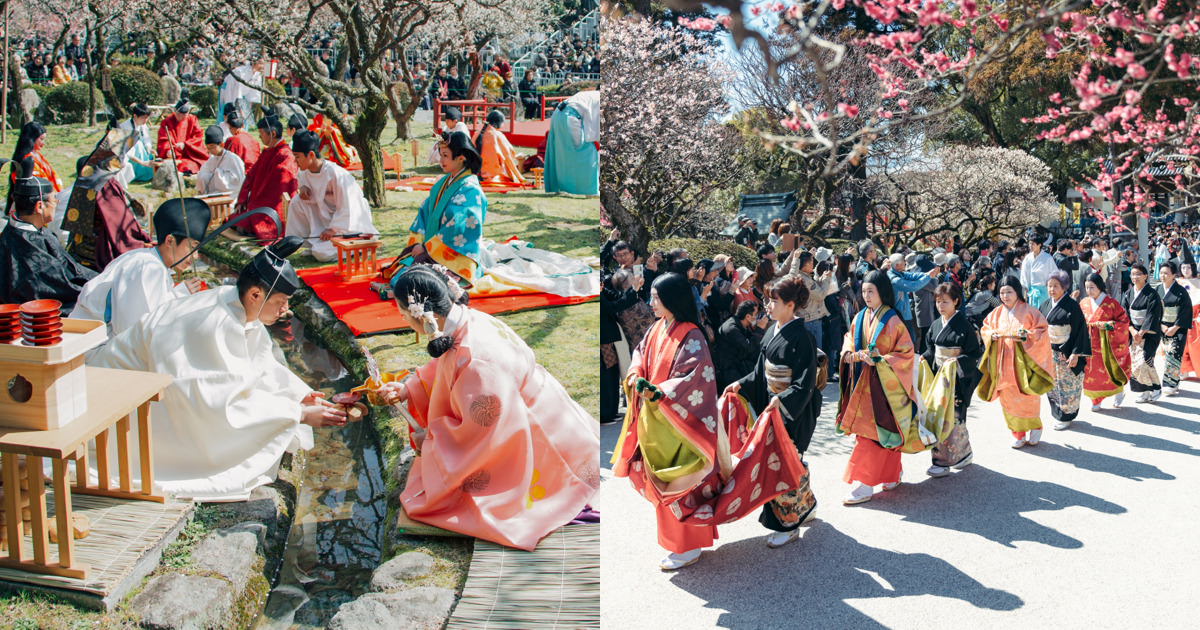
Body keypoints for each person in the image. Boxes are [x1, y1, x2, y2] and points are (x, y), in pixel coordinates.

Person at [90, 237, 346, 501]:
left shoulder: (237, 305)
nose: (286, 310)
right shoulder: (211, 322)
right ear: (255, 295)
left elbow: (262, 367)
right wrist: (297, 414)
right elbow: (213, 403)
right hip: (116, 402)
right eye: (281, 301)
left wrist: (297, 396)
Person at [373, 265, 599, 550]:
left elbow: (480, 436)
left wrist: (431, 440)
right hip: (551, 414)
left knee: (472, 501)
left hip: (532, 433)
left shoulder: (476, 361)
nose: (403, 320)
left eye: (403, 314)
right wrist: (409, 388)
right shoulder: (467, 319)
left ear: (421, 315)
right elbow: (446, 365)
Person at [613, 272, 804, 570]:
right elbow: (639, 354)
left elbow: (695, 378)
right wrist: (636, 374)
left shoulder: (692, 335)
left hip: (683, 424)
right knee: (664, 482)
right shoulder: (657, 328)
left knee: (682, 483)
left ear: (672, 299)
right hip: (658, 420)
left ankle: (689, 545)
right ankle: (679, 543)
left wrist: (660, 393)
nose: (651, 303)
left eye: (656, 297)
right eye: (651, 296)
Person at [726, 276, 821, 548]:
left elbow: (805, 383)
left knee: (781, 463)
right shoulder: (771, 331)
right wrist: (741, 384)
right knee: (786, 461)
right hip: (773, 403)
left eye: (773, 301)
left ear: (791, 305)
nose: (767, 306)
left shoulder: (803, 338)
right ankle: (807, 504)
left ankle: (787, 524)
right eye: (767, 300)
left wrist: (783, 400)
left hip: (793, 410)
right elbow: (760, 372)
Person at [71, 198, 209, 337]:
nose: (196, 256)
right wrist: (180, 295)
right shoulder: (148, 267)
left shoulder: (148, 259)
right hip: (95, 343)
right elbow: (134, 329)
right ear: (170, 241)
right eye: (192, 247)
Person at [837, 270, 917, 505]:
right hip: (862, 382)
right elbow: (849, 339)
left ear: (882, 291)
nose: (866, 296)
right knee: (869, 433)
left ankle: (865, 484)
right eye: (864, 291)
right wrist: (850, 354)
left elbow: (905, 352)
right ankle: (890, 475)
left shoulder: (893, 320)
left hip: (884, 385)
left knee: (880, 431)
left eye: (871, 291)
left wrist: (881, 360)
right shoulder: (860, 316)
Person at [398, 131, 485, 282]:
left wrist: (427, 248)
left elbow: (458, 225)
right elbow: (425, 211)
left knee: (416, 280)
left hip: (453, 256)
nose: (441, 160)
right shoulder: (442, 184)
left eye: (445, 155)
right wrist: (420, 242)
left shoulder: (471, 190)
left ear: (461, 158)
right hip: (432, 249)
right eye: (440, 155)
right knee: (401, 274)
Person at [978, 276, 1053, 449]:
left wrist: (1026, 335)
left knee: (1028, 396)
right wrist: (991, 335)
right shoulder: (996, 313)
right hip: (1003, 362)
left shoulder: (1030, 311)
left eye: (1009, 292)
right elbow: (985, 328)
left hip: (1025, 363)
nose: (1005, 296)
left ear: (1017, 292)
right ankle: (1017, 434)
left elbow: (1041, 330)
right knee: (1008, 398)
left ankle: (1035, 426)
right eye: (1002, 292)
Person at [0, 177, 95, 313]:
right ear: (40, 206)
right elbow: (57, 289)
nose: (57, 203)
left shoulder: (24, 230)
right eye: (54, 199)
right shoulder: (28, 248)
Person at [285, 131, 376, 261]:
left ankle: (354, 247)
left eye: (297, 157)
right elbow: (302, 181)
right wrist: (303, 188)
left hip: (348, 225)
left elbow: (349, 206)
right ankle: (311, 242)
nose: (295, 161)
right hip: (325, 220)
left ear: (311, 155)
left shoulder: (336, 174)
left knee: (322, 254)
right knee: (297, 202)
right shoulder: (304, 172)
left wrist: (333, 229)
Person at [922, 282, 981, 476]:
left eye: (945, 302)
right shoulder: (936, 325)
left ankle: (945, 461)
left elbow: (973, 353)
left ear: (956, 301)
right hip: (939, 379)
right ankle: (959, 456)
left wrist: (957, 361)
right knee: (938, 417)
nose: (940, 306)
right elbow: (931, 348)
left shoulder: (964, 326)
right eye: (938, 302)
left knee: (953, 420)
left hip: (956, 381)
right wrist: (925, 357)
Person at [232, 112, 298, 241]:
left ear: (272, 134)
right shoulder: (267, 152)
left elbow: (282, 185)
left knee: (252, 224)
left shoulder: (286, 155)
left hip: (272, 205)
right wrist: (242, 199)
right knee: (237, 221)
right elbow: (251, 175)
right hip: (257, 202)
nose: (260, 137)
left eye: (261, 133)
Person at [1041, 270, 1091, 431]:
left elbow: (1080, 331)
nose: (1052, 289)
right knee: (1053, 385)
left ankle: (1066, 416)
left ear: (1064, 287)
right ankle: (1058, 413)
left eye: (1056, 286)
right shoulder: (1045, 305)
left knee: (1067, 385)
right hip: (1050, 352)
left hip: (1067, 352)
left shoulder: (1072, 306)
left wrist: (1076, 354)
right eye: (1049, 286)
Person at [1080, 272, 1131, 410]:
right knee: (1091, 373)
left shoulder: (1111, 303)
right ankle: (1095, 400)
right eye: (1087, 287)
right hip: (1088, 345)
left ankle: (1118, 391)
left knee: (1109, 371)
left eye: (1092, 287)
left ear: (1100, 286)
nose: (1089, 291)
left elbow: (1124, 322)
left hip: (1107, 345)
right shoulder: (1084, 303)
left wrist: (1108, 325)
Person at [544, 90, 599, 195]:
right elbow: (595, 130)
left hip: (557, 114)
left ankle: (558, 186)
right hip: (571, 115)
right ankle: (590, 191)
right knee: (588, 152)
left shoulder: (592, 95)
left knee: (559, 154)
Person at [1125, 263, 1163, 403]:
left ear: (1146, 276)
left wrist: (1141, 332)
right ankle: (1144, 391)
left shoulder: (1152, 294)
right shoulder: (1128, 293)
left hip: (1149, 333)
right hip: (1133, 332)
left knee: (1145, 361)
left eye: (1138, 274)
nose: (1135, 277)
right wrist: (1132, 330)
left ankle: (1156, 387)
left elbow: (1152, 315)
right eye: (1132, 274)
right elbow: (1125, 314)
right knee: (1135, 363)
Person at [712, 300, 764, 390]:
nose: (757, 317)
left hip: (740, 364)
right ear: (748, 316)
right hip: (730, 371)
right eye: (755, 315)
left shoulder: (741, 324)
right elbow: (749, 348)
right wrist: (759, 329)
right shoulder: (731, 328)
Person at [1158, 261, 1192, 396]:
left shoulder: (1181, 291)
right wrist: (1161, 325)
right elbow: (1154, 310)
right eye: (1161, 273)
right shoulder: (1157, 290)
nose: (1163, 276)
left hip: (1178, 327)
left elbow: (1186, 311)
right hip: (1162, 326)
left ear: (1173, 275)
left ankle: (1170, 384)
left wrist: (1175, 327)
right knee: (1167, 354)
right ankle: (1175, 381)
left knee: (1174, 353)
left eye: (1166, 273)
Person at [886, 252, 937, 342]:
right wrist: (928, 277)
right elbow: (913, 286)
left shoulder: (900, 273)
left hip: (904, 314)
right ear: (897, 265)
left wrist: (926, 274)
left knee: (911, 339)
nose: (905, 263)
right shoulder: (894, 279)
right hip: (898, 315)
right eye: (903, 262)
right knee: (908, 340)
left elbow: (913, 276)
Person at [156, 98, 209, 174]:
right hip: (174, 154)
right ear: (175, 111)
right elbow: (164, 138)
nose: (182, 117)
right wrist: (168, 149)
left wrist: (185, 144)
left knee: (195, 164)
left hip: (190, 153)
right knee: (174, 165)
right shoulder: (167, 122)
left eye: (185, 115)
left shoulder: (192, 120)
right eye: (179, 115)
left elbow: (197, 136)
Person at [9, 122, 61, 197]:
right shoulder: (26, 160)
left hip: (53, 195)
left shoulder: (38, 156)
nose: (44, 143)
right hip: (40, 199)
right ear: (31, 139)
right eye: (41, 139)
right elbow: (32, 188)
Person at [474, 110, 525, 185]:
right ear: (499, 123)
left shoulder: (477, 133)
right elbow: (509, 155)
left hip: (476, 174)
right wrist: (519, 177)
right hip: (493, 175)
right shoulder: (498, 135)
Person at [115, 103, 158, 187]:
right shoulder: (125, 127)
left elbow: (146, 138)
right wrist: (142, 162)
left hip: (140, 152)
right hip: (129, 155)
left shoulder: (142, 125)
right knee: (138, 145)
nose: (145, 121)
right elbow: (127, 152)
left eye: (147, 118)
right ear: (134, 116)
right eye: (143, 118)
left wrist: (148, 148)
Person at [197, 125, 246, 197]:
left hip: (231, 196)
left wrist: (217, 173)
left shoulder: (233, 159)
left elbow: (237, 181)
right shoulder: (211, 160)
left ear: (222, 145)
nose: (210, 151)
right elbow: (202, 175)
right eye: (208, 148)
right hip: (213, 195)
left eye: (212, 147)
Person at [1020, 234, 1056, 309]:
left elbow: (1054, 274)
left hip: (1044, 291)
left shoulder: (1047, 258)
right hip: (1031, 291)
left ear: (1039, 245)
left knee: (1044, 312)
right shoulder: (1027, 258)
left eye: (1033, 244)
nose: (1030, 246)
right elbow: (1024, 276)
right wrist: (1025, 293)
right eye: (1030, 243)